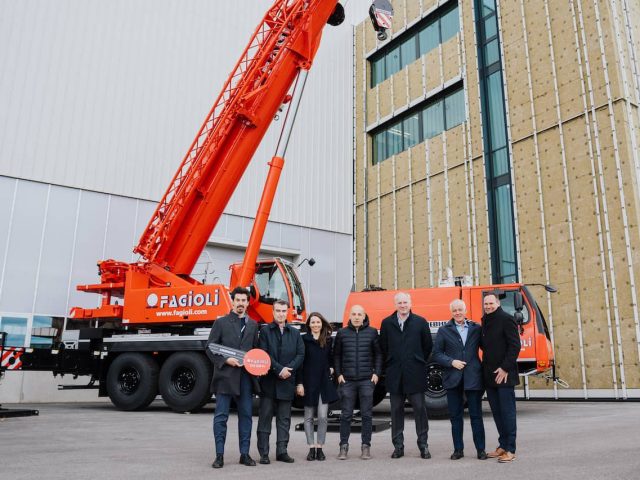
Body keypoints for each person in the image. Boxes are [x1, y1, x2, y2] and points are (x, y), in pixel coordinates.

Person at [206, 286, 260, 469]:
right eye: (238, 300)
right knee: (221, 417)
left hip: (245, 379)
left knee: (246, 416)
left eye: (244, 300)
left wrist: (258, 365)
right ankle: (219, 455)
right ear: (232, 301)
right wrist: (225, 360)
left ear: (248, 303)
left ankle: (244, 454)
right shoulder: (220, 323)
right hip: (225, 377)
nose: (240, 303)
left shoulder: (253, 325)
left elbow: (256, 350)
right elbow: (210, 348)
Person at [379, 292, 432, 459]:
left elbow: (427, 346)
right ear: (395, 304)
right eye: (400, 303)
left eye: (405, 302)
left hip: (415, 373)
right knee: (396, 411)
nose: (403, 305)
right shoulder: (387, 323)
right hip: (395, 374)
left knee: (420, 409)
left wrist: (417, 360)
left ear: (410, 303)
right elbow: (383, 347)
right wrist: (391, 362)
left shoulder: (420, 322)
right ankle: (398, 447)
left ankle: (423, 445)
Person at [432, 299, 487, 460]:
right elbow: (437, 354)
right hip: (452, 378)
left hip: (473, 377)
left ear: (465, 310)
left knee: (476, 416)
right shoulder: (444, 330)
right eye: (454, 310)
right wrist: (451, 362)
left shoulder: (476, 328)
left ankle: (481, 450)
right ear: (451, 312)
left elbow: (488, 347)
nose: (457, 313)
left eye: (460, 310)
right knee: (455, 417)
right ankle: (458, 450)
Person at [256, 299, 305, 464]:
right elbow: (264, 354)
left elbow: (300, 355)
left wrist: (288, 370)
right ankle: (264, 453)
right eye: (278, 311)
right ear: (273, 312)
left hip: (287, 382)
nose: (281, 314)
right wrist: (279, 369)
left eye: (284, 311)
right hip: (269, 382)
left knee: (284, 420)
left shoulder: (295, 333)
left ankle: (282, 451)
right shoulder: (265, 332)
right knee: (265, 419)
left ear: (287, 312)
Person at [333, 304, 382, 460]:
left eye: (359, 314)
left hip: (366, 380)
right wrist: (339, 374)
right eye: (353, 314)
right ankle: (343, 447)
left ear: (364, 316)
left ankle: (366, 447)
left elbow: (379, 354)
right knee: (346, 415)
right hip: (347, 380)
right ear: (350, 316)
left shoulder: (372, 332)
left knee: (367, 415)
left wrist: (377, 373)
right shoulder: (342, 333)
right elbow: (336, 355)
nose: (356, 317)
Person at [481, 293, 521, 463]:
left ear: (497, 303)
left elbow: (515, 346)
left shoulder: (507, 319)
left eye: (491, 303)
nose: (488, 306)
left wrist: (505, 368)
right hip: (490, 376)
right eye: (486, 304)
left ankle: (510, 449)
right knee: (497, 413)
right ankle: (502, 445)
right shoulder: (485, 320)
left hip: (504, 375)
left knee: (507, 413)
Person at [295, 312, 339, 461]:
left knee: (322, 416)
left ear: (322, 323)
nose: (315, 325)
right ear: (309, 325)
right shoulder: (303, 340)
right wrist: (300, 383)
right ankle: (311, 447)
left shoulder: (327, 339)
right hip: (308, 383)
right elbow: (300, 364)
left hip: (323, 383)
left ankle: (320, 447)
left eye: (318, 322)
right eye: (313, 322)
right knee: (308, 417)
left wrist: (332, 368)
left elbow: (331, 358)